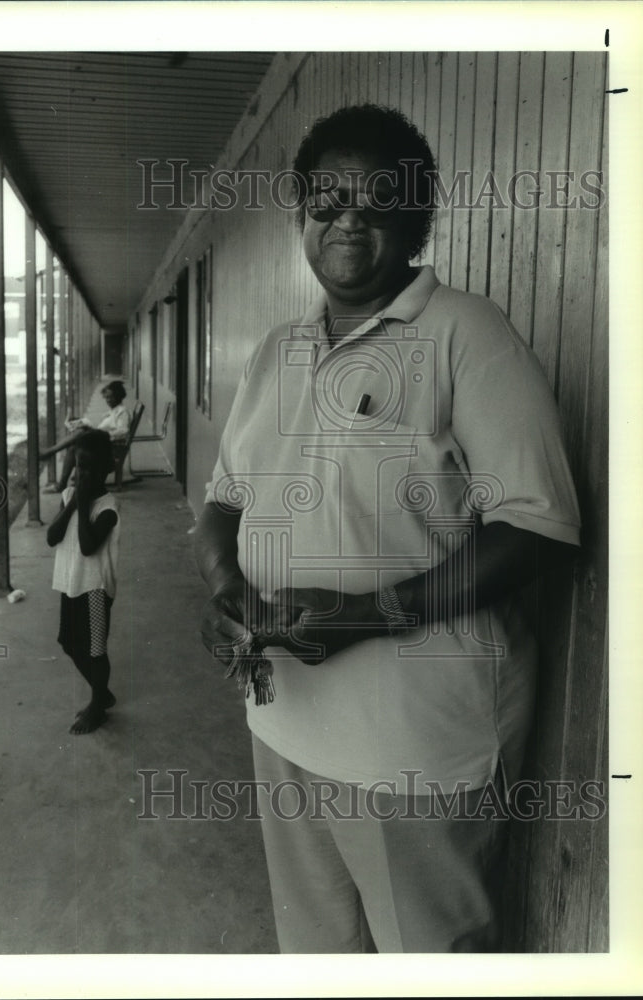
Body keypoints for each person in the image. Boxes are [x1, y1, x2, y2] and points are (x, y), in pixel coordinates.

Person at [194, 104, 581, 953]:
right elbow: (225, 499)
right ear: (302, 216)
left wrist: (370, 615)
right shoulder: (277, 352)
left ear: (418, 220)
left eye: (378, 200)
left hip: (414, 750)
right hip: (282, 722)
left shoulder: (466, 337)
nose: (349, 219)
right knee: (316, 953)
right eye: (328, 199)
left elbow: (538, 528)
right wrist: (227, 589)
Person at [46, 429, 120, 735]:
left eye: (89, 467)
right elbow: (52, 537)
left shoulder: (107, 508)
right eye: (78, 466)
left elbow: (89, 546)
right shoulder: (69, 497)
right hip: (70, 583)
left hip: (95, 590)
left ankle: (97, 706)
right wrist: (74, 502)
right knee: (68, 641)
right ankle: (101, 694)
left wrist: (85, 501)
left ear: (106, 469)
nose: (81, 473)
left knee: (95, 649)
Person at [42, 380, 130, 493]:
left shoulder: (122, 412)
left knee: (79, 436)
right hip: (102, 445)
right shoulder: (113, 411)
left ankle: (51, 452)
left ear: (118, 397)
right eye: (106, 397)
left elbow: (124, 431)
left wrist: (104, 434)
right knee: (74, 446)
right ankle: (62, 483)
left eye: (110, 397)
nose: (108, 400)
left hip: (109, 451)